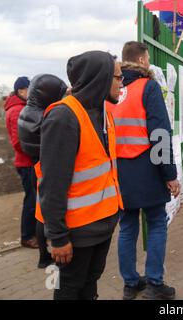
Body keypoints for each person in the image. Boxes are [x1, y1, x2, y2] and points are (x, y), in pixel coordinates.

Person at [37, 51, 124, 300]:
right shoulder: (63, 117)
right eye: (117, 77)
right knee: (67, 288)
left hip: (102, 225)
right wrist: (57, 236)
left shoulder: (104, 115)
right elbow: (52, 185)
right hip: (74, 233)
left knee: (89, 284)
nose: (121, 83)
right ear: (100, 78)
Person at [109, 41, 179, 300]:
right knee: (157, 223)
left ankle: (130, 283)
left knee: (127, 227)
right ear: (140, 60)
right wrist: (170, 175)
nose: (148, 62)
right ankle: (154, 283)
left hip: (119, 171)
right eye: (147, 58)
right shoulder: (147, 87)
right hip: (147, 169)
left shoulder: (113, 90)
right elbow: (160, 134)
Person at [18, 74, 68, 268]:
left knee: (40, 211)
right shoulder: (43, 116)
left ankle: (43, 255)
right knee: (44, 212)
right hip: (43, 167)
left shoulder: (27, 111)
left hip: (34, 165)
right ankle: (45, 256)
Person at [4, 76, 38, 249]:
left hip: (27, 162)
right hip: (26, 163)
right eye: (29, 88)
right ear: (21, 91)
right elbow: (19, 142)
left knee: (34, 198)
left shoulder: (20, 107)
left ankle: (34, 233)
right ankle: (27, 236)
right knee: (31, 200)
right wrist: (35, 153)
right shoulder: (18, 110)